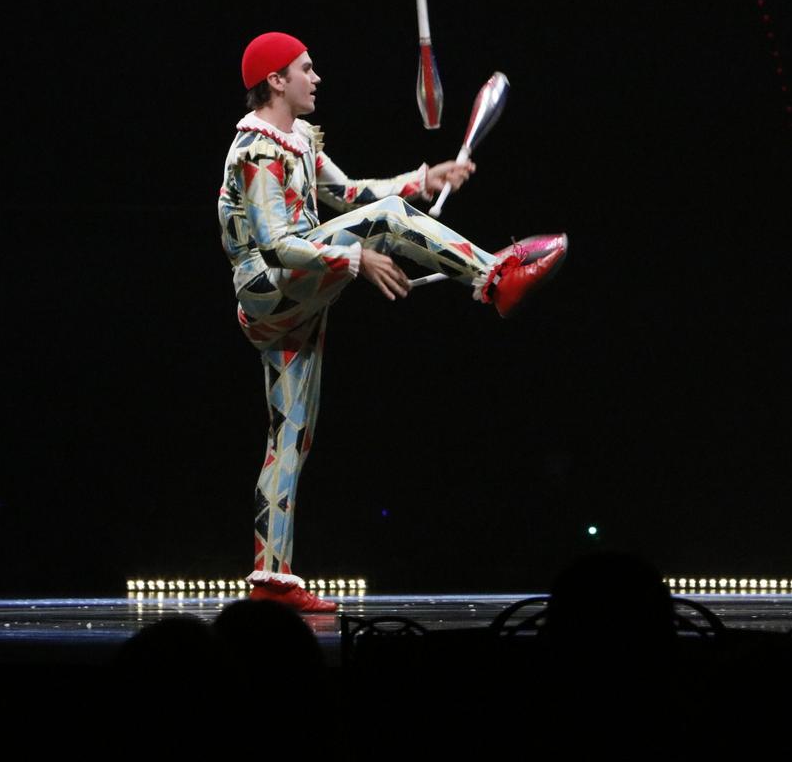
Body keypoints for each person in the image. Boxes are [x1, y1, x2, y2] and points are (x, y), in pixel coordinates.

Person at [220, 31, 568, 612]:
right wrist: (357, 257)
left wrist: (423, 180)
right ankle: (491, 278)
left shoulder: (299, 138)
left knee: (291, 437)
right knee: (383, 222)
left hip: (296, 299)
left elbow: (350, 193)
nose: (317, 77)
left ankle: (270, 580)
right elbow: (277, 246)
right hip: (269, 290)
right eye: (306, 68)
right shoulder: (255, 151)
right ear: (276, 81)